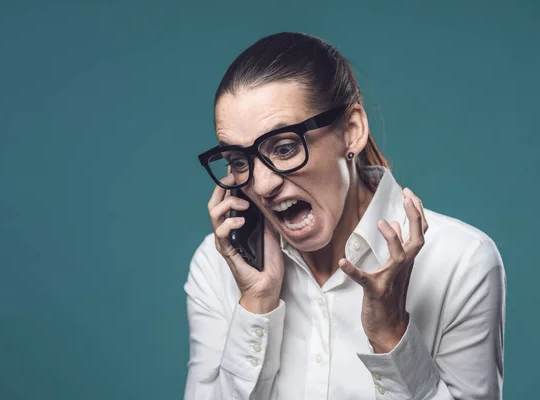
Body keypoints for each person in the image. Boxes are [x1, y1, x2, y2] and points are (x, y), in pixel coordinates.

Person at [184, 32, 505, 400]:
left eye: (285, 147)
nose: (262, 184)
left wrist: (392, 338)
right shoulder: (215, 265)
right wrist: (255, 306)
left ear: (351, 132)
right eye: (239, 162)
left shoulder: (461, 263)